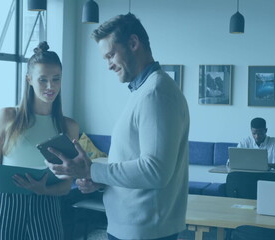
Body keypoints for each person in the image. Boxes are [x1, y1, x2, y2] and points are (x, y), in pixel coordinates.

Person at [46, 13, 190, 240]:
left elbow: (155, 171)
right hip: (135, 229)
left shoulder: (155, 93)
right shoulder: (145, 91)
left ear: (133, 43)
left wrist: (91, 170)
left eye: (111, 55)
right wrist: (100, 180)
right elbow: (134, 166)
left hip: (144, 232)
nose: (109, 65)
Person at [0, 41, 79, 240]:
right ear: (29, 79)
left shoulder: (69, 126)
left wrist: (44, 189)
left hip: (46, 204)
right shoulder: (7, 116)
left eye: (56, 79)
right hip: (7, 204)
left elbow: (65, 186)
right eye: (42, 79)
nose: (50, 86)